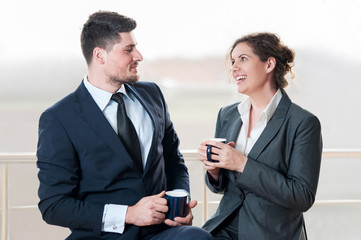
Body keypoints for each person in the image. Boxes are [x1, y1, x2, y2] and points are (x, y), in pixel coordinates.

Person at [37, 11, 213, 240]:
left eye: (135, 48)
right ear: (100, 55)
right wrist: (128, 214)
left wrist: (178, 205)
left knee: (197, 237)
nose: (139, 56)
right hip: (102, 236)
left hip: (160, 232)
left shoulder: (153, 95)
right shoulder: (59, 118)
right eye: (128, 49)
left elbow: (173, 161)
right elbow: (54, 205)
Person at [198, 32, 322, 240]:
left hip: (271, 233)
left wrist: (241, 164)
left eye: (243, 59)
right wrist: (215, 172)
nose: (234, 67)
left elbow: (302, 196)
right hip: (224, 227)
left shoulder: (303, 123)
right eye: (233, 61)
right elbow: (220, 188)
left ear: (269, 64)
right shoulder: (227, 115)